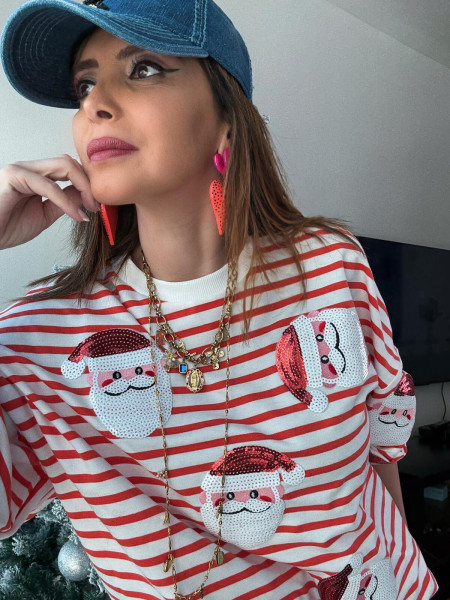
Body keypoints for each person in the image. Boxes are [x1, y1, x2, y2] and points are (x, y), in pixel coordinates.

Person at [0, 1, 438, 599]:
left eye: (143, 68)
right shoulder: (39, 338)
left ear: (226, 120)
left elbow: (383, 443)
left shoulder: (329, 263)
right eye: (85, 84)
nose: (95, 104)